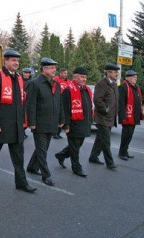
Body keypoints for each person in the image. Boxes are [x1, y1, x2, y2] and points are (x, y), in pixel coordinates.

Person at [0, 49, 36, 193]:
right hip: (1, 124)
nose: (16, 63)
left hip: (16, 124)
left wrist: (23, 122)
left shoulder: (18, 78)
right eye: (13, 60)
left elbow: (20, 101)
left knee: (19, 156)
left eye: (17, 61)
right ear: (5, 61)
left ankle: (21, 182)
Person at [25, 58, 63, 186]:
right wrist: (32, 122)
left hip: (51, 123)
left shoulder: (56, 84)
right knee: (42, 150)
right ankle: (46, 175)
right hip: (39, 123)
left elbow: (59, 103)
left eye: (54, 68)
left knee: (43, 148)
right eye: (51, 68)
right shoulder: (35, 83)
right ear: (44, 69)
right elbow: (30, 104)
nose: (54, 70)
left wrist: (61, 119)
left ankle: (31, 167)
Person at [55, 67, 93, 177]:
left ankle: (61, 155)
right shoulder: (68, 90)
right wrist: (66, 126)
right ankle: (77, 168)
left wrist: (90, 121)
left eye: (85, 77)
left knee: (76, 145)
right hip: (73, 124)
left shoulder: (87, 90)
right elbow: (64, 109)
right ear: (75, 77)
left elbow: (89, 107)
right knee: (75, 148)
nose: (84, 79)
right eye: (81, 77)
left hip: (84, 123)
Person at [88, 63, 119, 170]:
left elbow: (114, 100)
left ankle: (93, 157)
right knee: (106, 141)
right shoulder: (102, 84)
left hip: (110, 117)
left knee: (100, 140)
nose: (116, 74)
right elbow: (97, 99)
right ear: (108, 72)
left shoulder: (114, 84)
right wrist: (105, 109)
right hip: (102, 117)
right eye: (115, 72)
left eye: (117, 72)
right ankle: (110, 163)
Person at [118, 70, 144, 160]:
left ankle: (125, 151)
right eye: (134, 77)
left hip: (134, 116)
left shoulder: (136, 87)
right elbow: (121, 103)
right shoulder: (123, 87)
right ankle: (121, 153)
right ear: (127, 78)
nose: (135, 79)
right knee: (125, 136)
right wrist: (123, 117)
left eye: (136, 77)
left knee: (130, 136)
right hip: (127, 116)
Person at [53, 68, 70, 139]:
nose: (66, 75)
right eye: (64, 73)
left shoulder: (69, 82)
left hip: (64, 101)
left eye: (66, 73)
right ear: (60, 73)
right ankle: (55, 133)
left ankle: (58, 132)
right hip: (57, 100)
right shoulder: (55, 80)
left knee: (62, 117)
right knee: (57, 117)